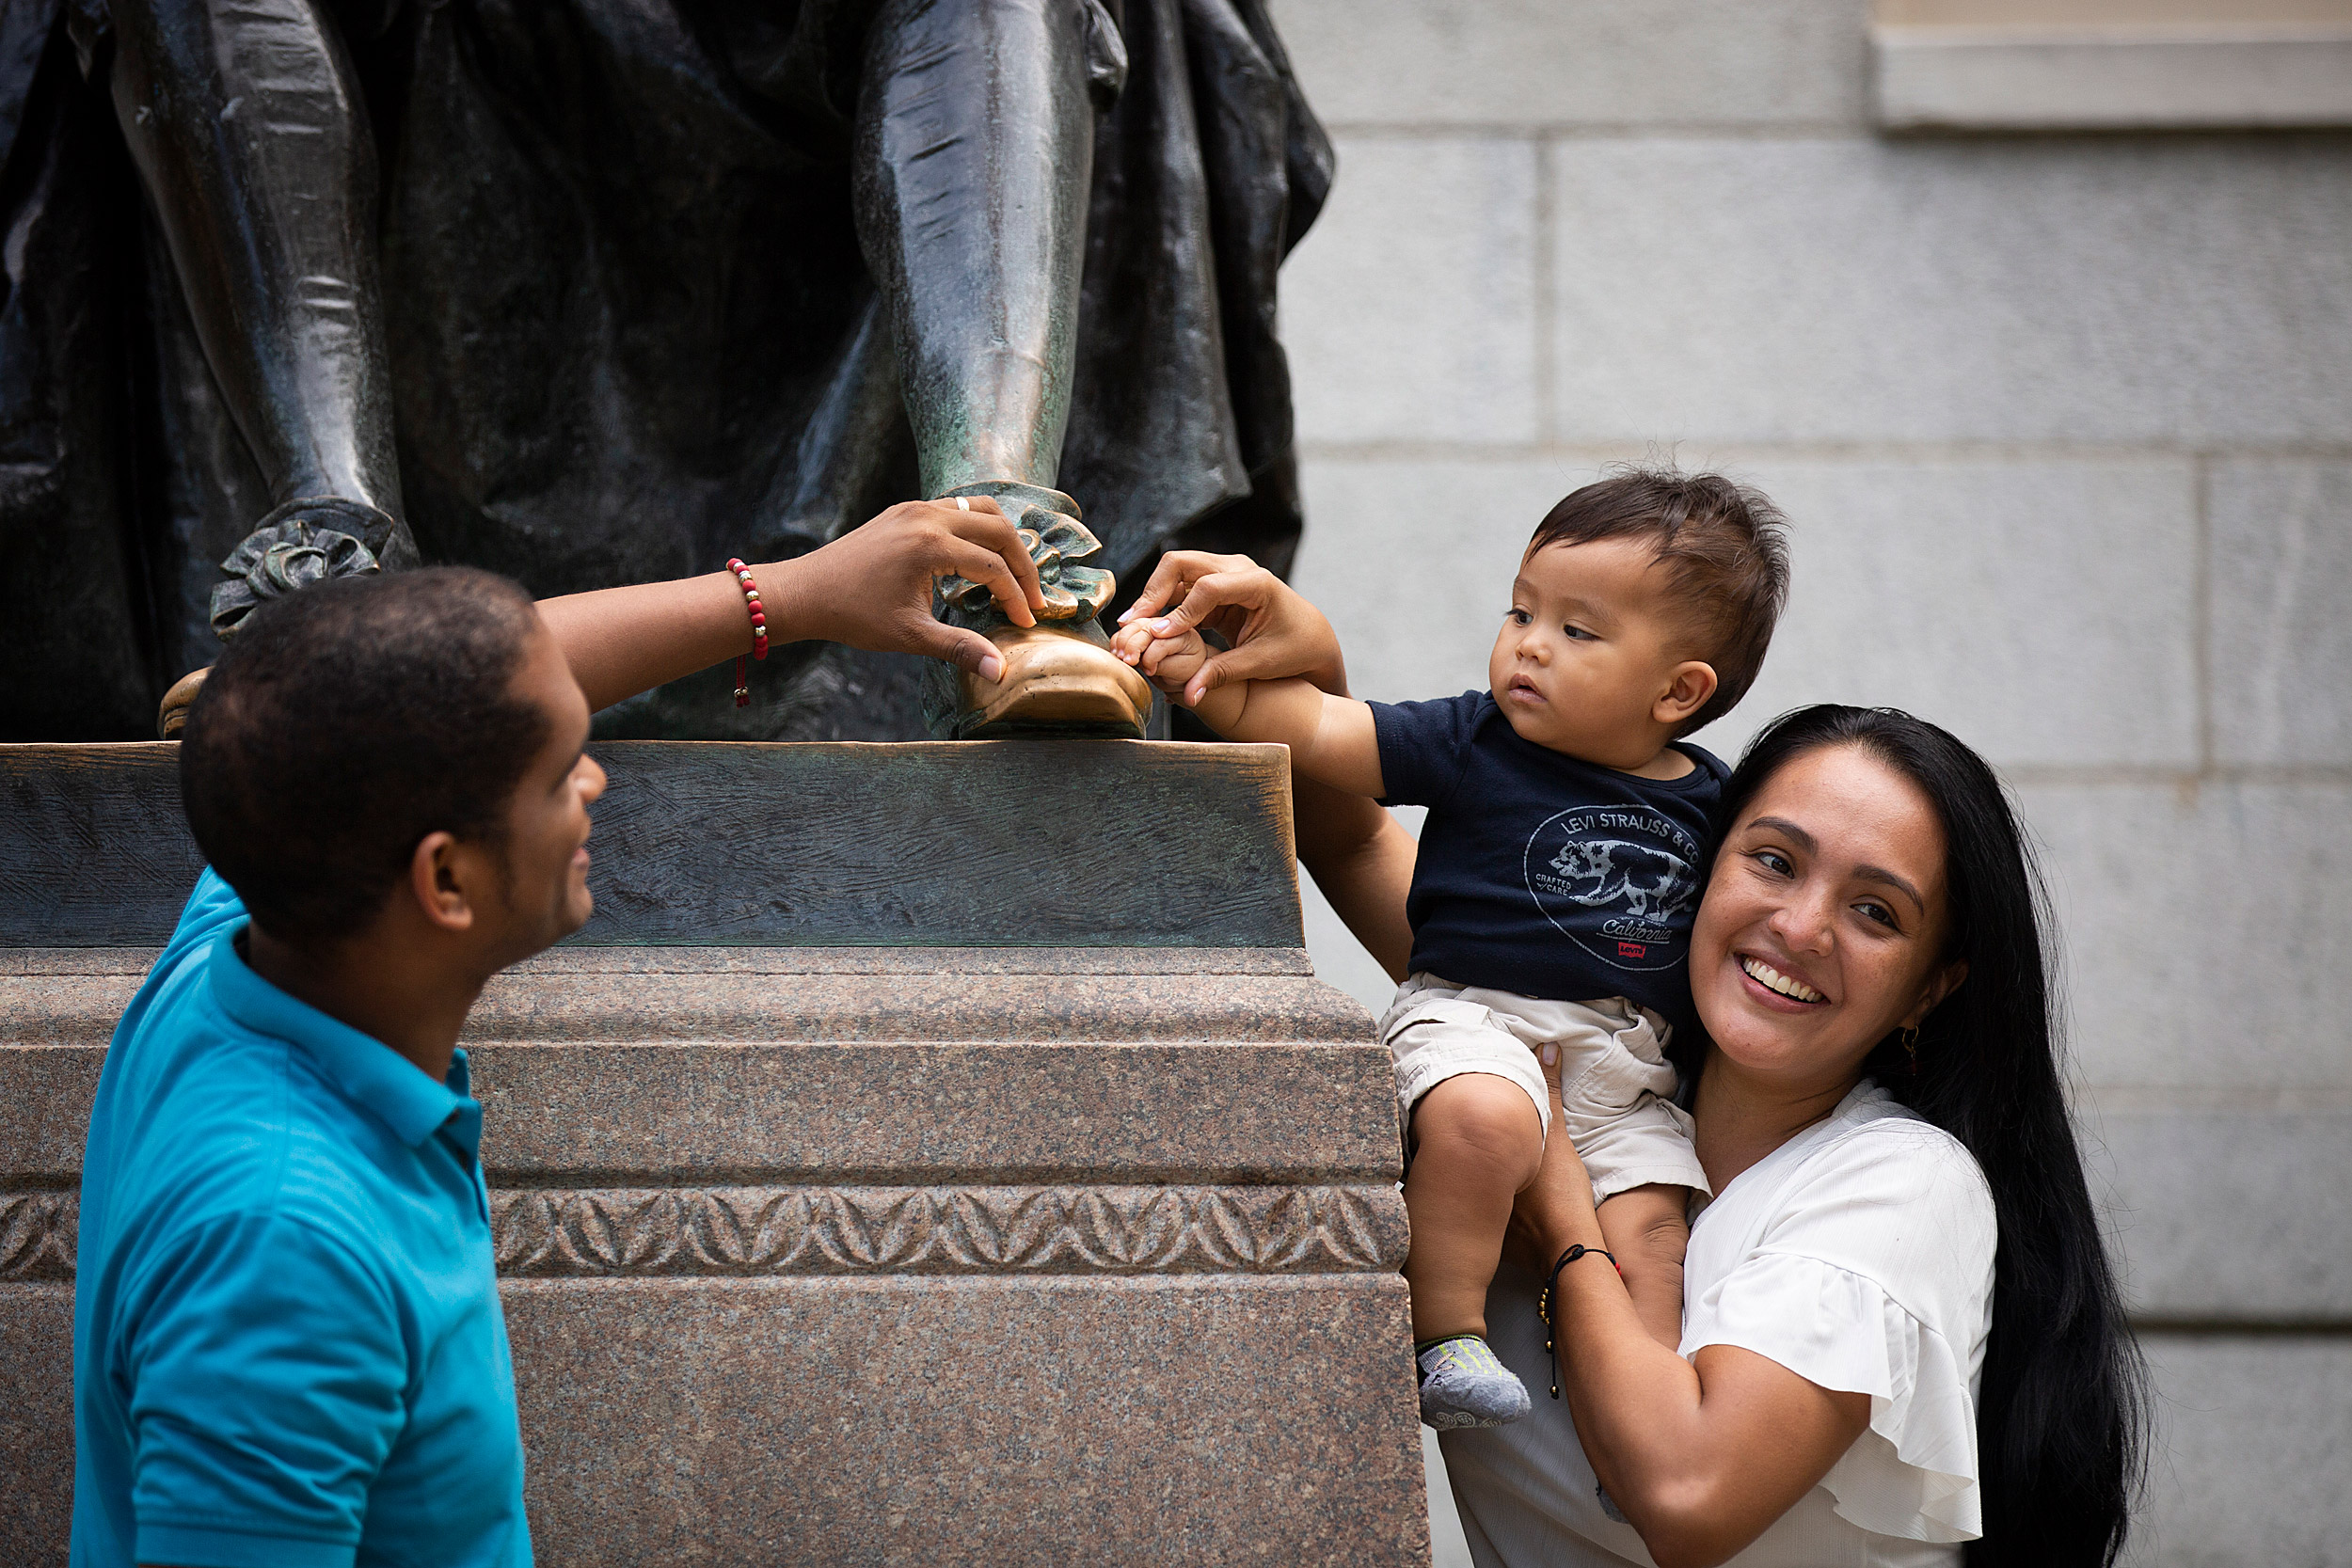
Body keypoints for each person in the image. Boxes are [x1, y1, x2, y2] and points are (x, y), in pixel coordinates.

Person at [71, 499, 1041, 1568]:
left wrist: (794, 594)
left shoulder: (262, 909)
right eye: (558, 770)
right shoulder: (283, 1251)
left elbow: (444, 679)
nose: (595, 780)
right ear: (445, 876)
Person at [1121, 566, 2148, 1566]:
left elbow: (1686, 1499)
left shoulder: (1899, 1178)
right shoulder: (1584, 1049)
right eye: (1773, 860)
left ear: (1931, 987)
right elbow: (1353, 837)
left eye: (1874, 911)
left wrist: (1569, 1221)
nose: (1799, 927)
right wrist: (1297, 658)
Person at [1114, 467, 1791, 1432]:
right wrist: (1201, 678)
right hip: (1472, 1018)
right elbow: (1318, 727)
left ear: (1678, 690)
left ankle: (1639, 1414)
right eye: (1521, 611)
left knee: (1653, 1234)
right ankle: (1447, 1336)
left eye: (1576, 630)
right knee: (1484, 1121)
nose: (1529, 645)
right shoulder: (1477, 738)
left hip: (1624, 1066)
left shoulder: (1712, 805)